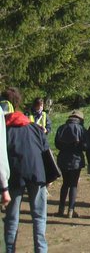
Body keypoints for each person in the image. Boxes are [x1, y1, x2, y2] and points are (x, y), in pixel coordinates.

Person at [2, 87, 49, 252]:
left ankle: (10, 249)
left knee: (12, 217)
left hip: (14, 175)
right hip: (37, 172)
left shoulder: (4, 129)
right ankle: (41, 250)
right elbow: (45, 149)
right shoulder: (33, 127)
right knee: (39, 216)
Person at [54, 110, 88, 218]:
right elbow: (87, 146)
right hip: (76, 159)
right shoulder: (82, 129)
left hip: (63, 158)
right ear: (80, 119)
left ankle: (61, 209)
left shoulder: (61, 128)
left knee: (65, 184)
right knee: (73, 184)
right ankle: (71, 210)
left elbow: (57, 144)